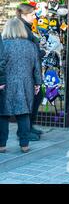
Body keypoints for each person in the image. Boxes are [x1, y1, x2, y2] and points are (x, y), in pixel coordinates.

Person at [0, 18, 42, 153]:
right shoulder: (30, 45)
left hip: (6, 84)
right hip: (26, 83)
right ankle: (24, 145)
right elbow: (37, 66)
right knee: (24, 114)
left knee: (3, 114)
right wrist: (37, 83)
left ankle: (1, 145)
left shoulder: (3, 45)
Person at [17, 3, 45, 140]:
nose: (35, 17)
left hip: (30, 70)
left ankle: (29, 127)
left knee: (37, 96)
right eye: (32, 14)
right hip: (26, 71)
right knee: (30, 99)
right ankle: (24, 131)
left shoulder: (26, 27)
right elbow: (25, 52)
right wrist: (41, 53)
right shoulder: (22, 29)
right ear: (23, 15)